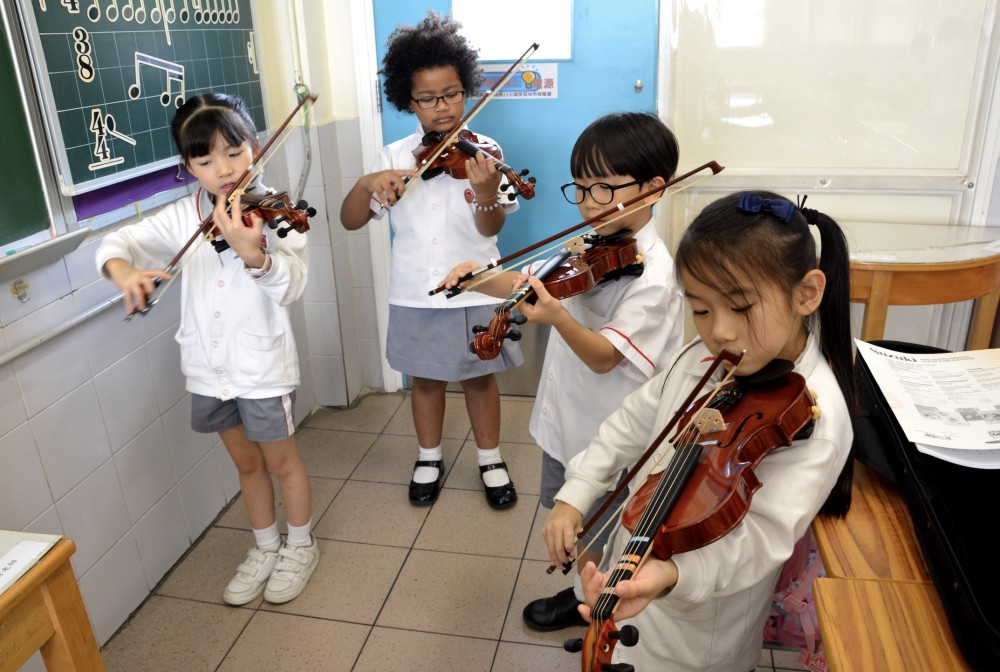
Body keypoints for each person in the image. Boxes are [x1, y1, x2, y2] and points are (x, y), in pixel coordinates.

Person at [543, 190, 857, 671]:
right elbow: (632, 420)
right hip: (634, 568)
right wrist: (577, 491)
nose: (719, 332)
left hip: (698, 633)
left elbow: (760, 539)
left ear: (806, 294)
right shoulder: (705, 359)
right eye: (702, 310)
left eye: (741, 307)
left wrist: (674, 574)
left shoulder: (816, 416)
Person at [440, 112, 685, 630]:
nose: (589, 203)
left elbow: (604, 356)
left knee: (602, 529)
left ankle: (597, 607)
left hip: (607, 436)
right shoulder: (590, 245)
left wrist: (556, 318)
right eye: (580, 187)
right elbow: (529, 283)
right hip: (565, 422)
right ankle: (581, 594)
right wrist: (479, 278)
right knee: (568, 516)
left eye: (604, 188)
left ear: (653, 188)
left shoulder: (655, 277)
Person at [95, 93, 319, 606]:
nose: (224, 170)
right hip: (208, 369)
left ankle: (300, 545)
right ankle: (265, 547)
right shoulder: (183, 216)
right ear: (188, 166)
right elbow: (113, 245)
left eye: (235, 152)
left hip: (262, 368)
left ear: (255, 146)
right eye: (205, 160)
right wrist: (124, 272)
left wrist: (254, 256)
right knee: (246, 464)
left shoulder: (278, 214)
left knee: (282, 463)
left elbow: (291, 288)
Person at [340, 12, 524, 509]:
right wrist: (365, 183)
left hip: (477, 286)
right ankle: (428, 456)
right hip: (415, 289)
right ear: (408, 100)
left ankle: (490, 458)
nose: (442, 107)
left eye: (452, 94)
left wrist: (484, 194)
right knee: (424, 380)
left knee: (479, 378)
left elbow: (490, 227)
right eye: (427, 98)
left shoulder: (486, 152)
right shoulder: (394, 156)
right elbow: (351, 221)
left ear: (467, 90)